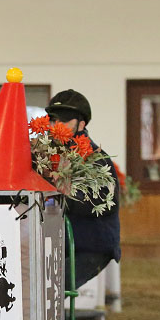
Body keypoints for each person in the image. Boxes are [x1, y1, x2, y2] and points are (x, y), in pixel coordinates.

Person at [45, 90, 120, 290]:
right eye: (53, 122)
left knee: (54, 287)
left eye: (63, 123)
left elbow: (105, 204)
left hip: (92, 246)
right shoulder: (52, 155)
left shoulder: (96, 159)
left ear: (81, 125)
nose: (55, 128)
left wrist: (63, 196)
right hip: (64, 243)